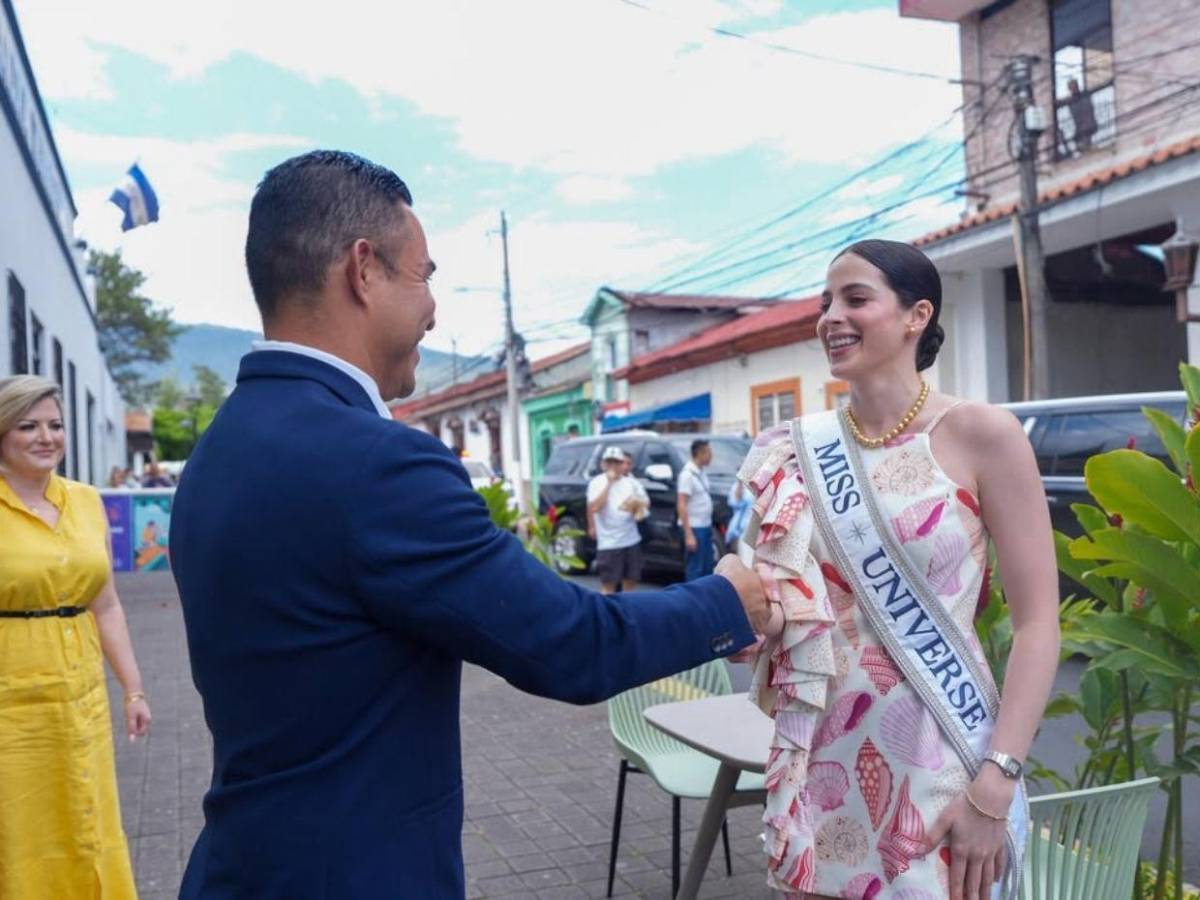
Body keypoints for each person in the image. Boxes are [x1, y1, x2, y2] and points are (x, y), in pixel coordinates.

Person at [168, 150, 769, 899]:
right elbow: (572, 644)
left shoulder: (218, 452)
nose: (433, 310)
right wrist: (727, 601)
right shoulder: (378, 464)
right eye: (424, 276)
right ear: (363, 270)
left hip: (239, 866)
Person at [735, 239, 1058, 899]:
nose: (831, 317)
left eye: (856, 298)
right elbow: (763, 596)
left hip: (945, 767)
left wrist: (996, 782)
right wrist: (747, 615)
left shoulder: (983, 435)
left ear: (917, 315)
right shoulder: (795, 451)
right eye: (826, 302)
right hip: (822, 759)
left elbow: (1037, 625)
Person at [0, 374, 152, 899]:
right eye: (28, 426)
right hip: (12, 700)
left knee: (87, 818)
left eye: (56, 425)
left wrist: (132, 688)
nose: (46, 437)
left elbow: (105, 604)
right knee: (21, 827)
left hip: (81, 694)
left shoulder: (86, 502)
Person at [586, 445, 646, 593]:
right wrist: (609, 483)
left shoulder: (631, 483)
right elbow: (595, 507)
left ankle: (627, 606)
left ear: (622, 464)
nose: (613, 466)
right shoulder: (596, 483)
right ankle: (607, 608)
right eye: (609, 462)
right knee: (609, 584)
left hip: (631, 539)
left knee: (631, 581)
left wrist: (637, 509)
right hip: (609, 542)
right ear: (603, 464)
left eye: (617, 462)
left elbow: (643, 506)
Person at [677, 438, 715, 580]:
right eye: (709, 453)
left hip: (705, 525)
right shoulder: (687, 475)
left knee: (707, 566)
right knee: (695, 568)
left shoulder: (701, 471)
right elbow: (681, 504)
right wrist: (689, 534)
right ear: (699, 453)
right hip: (694, 528)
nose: (711, 456)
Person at [1066, 78, 1097, 154]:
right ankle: (1085, 149)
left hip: (1087, 124)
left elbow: (1088, 108)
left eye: (1074, 87)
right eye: (1071, 88)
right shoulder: (1071, 100)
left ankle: (1087, 149)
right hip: (1081, 125)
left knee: (1084, 137)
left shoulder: (1084, 95)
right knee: (1079, 140)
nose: (1073, 89)